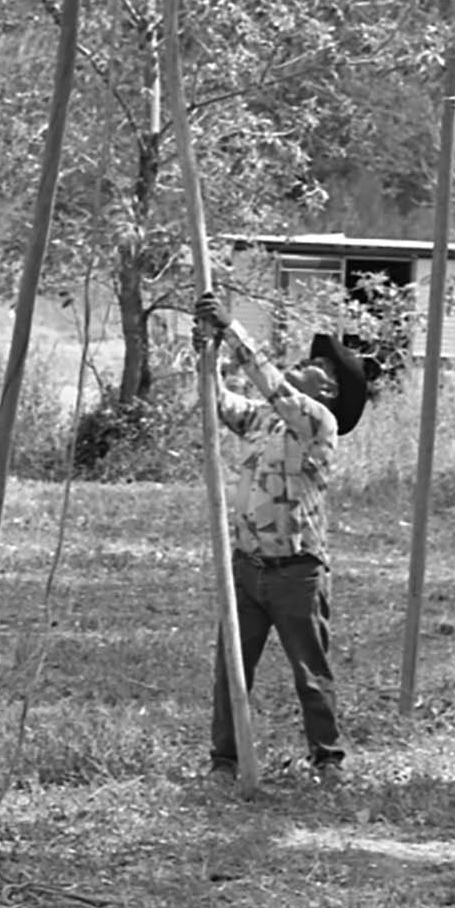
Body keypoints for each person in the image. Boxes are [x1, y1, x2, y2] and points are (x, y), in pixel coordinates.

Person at [192, 288, 368, 789]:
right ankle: (223, 761)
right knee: (232, 668)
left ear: (328, 389)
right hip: (248, 568)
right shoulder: (265, 419)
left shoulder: (317, 422)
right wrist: (207, 354)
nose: (302, 364)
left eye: (315, 365)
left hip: (296, 571)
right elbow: (218, 404)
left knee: (310, 670)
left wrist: (231, 329)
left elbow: (269, 383)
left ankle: (327, 760)